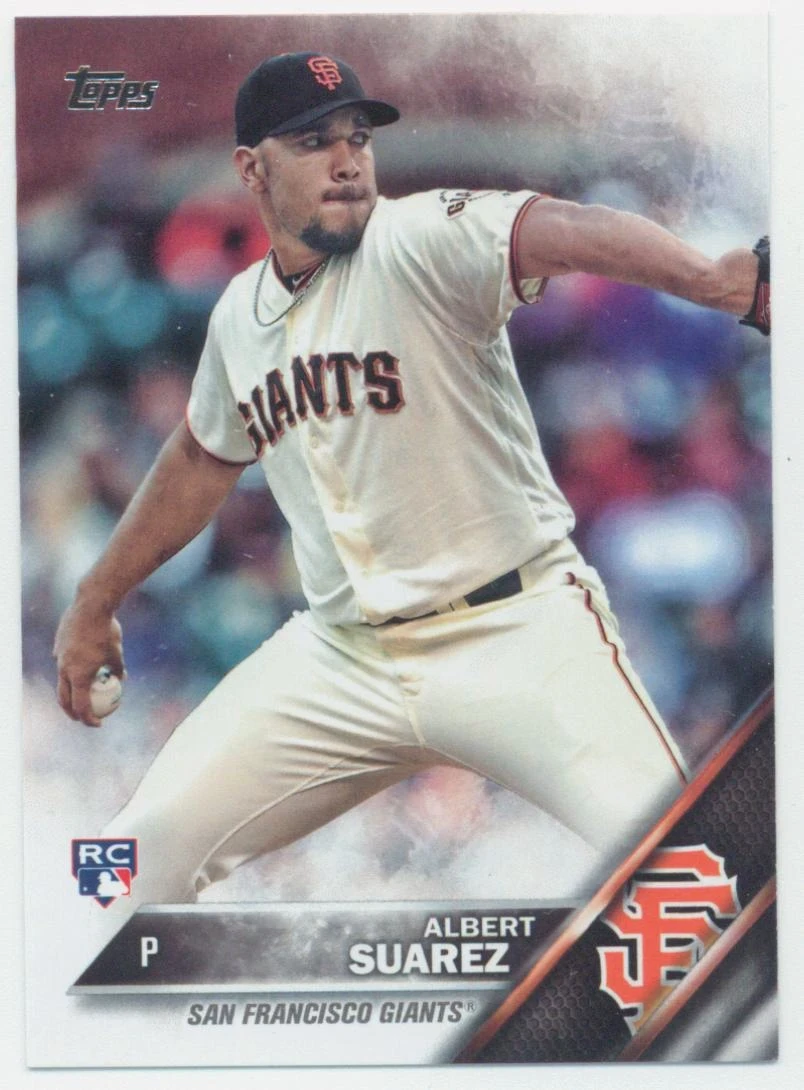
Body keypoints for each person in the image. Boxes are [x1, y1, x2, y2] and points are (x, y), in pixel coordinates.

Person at [53, 52, 769, 918]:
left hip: (517, 632)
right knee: (120, 873)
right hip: (341, 656)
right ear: (251, 169)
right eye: (313, 142)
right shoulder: (239, 315)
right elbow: (203, 457)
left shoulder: (421, 234)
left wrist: (709, 280)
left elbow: (558, 226)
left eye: (357, 138)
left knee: (693, 892)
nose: (346, 160)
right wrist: (96, 599)